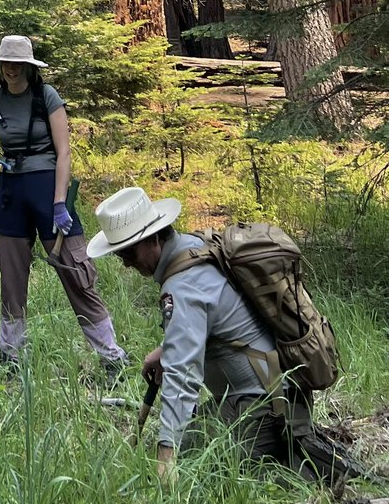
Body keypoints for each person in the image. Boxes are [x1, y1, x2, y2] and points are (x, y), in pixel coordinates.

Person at [87, 186, 355, 483]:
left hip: (264, 409)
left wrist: (166, 458)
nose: (125, 262)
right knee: (193, 438)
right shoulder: (196, 246)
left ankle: (287, 471)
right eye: (119, 254)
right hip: (280, 395)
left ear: (152, 239)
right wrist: (165, 349)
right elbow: (214, 317)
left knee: (198, 464)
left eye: (128, 251)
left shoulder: (181, 287)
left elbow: (182, 375)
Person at [0, 35, 127, 378]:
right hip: (11, 193)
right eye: (5, 64)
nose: (10, 70)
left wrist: (59, 204)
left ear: (28, 67)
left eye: (17, 64)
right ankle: (10, 356)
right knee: (12, 277)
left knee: (76, 271)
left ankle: (111, 355)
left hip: (48, 191)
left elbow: (64, 152)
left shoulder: (47, 97)